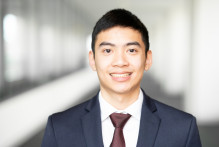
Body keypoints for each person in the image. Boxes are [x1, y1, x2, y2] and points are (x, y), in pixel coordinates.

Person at [42, 9, 202, 147]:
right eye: (107, 51)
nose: (120, 62)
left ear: (147, 59)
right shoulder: (59, 127)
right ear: (92, 60)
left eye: (131, 50)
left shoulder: (182, 128)